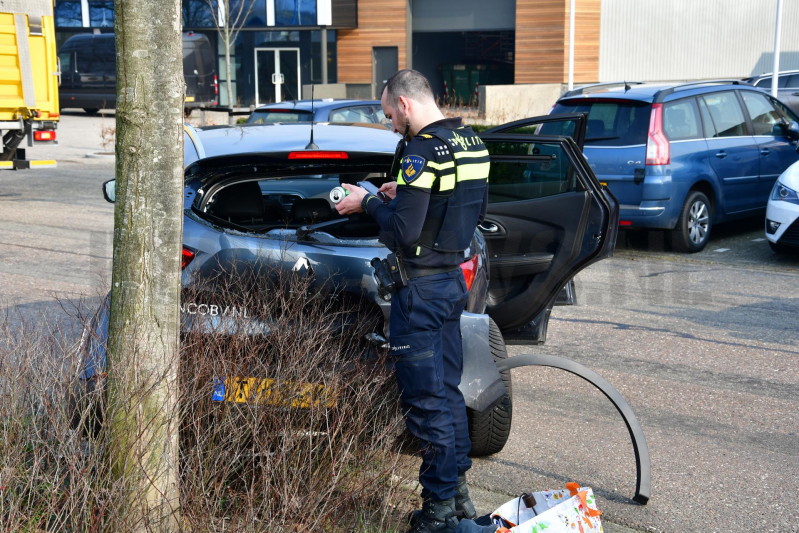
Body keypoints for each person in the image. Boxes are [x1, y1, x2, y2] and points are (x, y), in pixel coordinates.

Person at [335, 69, 490, 533]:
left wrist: (366, 203)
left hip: (419, 293)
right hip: (452, 284)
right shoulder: (472, 143)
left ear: (404, 103)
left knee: (426, 402)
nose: (391, 125)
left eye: (390, 115)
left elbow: (403, 232)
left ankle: (438, 512)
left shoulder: (421, 151)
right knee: (448, 391)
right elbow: (466, 208)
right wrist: (404, 194)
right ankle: (458, 495)